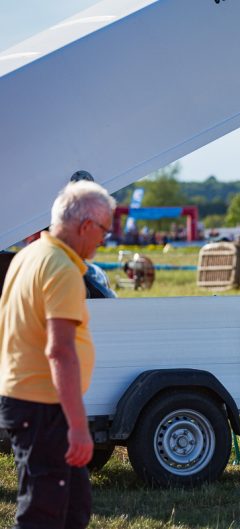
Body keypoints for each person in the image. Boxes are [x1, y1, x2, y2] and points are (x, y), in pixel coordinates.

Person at [0, 180, 116, 529]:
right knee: (44, 514)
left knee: (72, 509)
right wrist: (79, 427)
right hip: (44, 408)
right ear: (85, 226)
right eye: (104, 230)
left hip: (29, 401)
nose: (103, 239)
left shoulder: (29, 256)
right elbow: (61, 351)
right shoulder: (62, 270)